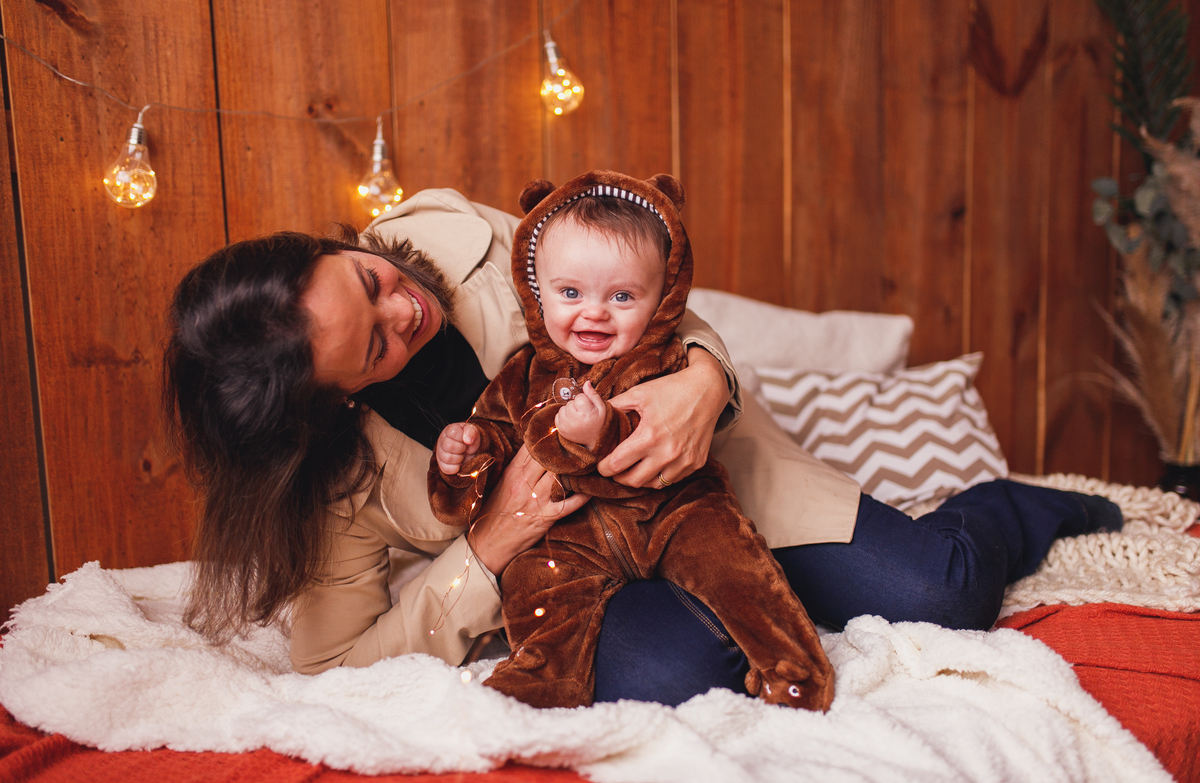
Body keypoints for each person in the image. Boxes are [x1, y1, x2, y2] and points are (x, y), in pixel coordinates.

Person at [163, 180, 1122, 707]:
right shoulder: (338, 482)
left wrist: (703, 383)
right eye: (374, 343)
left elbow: (639, 292)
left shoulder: (453, 236)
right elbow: (329, 670)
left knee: (938, 594)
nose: (402, 306)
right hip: (585, 568)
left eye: (365, 277)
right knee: (676, 675)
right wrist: (487, 547)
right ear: (333, 405)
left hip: (708, 490)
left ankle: (1013, 503)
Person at [429, 171, 832, 711]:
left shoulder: (663, 361)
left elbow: (661, 434)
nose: (594, 312)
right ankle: (539, 683)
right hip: (566, 540)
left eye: (621, 295)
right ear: (536, 292)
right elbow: (501, 437)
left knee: (738, 570)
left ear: (663, 297)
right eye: (570, 292)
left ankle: (793, 665)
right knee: (537, 591)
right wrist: (466, 456)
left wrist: (604, 432)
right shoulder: (521, 375)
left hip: (672, 512)